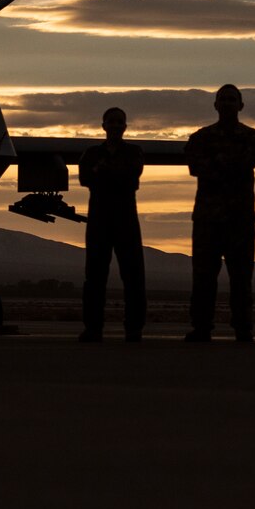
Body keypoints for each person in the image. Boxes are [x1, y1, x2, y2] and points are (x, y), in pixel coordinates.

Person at [184, 85, 255, 342]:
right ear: (215, 105)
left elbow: (246, 163)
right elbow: (196, 166)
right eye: (223, 99)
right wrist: (229, 163)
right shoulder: (200, 138)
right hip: (208, 220)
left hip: (239, 219)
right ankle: (201, 327)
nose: (228, 104)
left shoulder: (252, 137)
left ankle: (243, 327)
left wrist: (217, 163)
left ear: (241, 105)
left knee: (242, 277)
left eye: (232, 100)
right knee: (203, 277)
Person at [78, 107, 146, 343]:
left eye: (120, 122)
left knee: (133, 275)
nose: (116, 126)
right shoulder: (91, 152)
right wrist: (115, 173)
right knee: (94, 276)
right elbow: (85, 178)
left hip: (125, 220)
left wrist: (104, 171)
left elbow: (131, 176)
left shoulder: (134, 151)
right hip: (99, 221)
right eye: (112, 122)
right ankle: (93, 328)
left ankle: (134, 329)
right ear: (104, 125)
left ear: (125, 126)